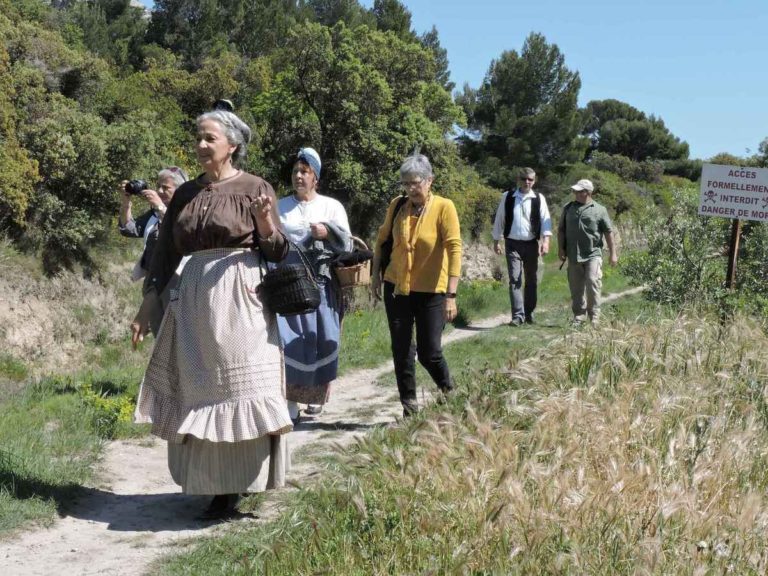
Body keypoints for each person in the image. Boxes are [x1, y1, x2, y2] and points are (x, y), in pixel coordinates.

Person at [130, 108, 292, 520]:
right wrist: (148, 304)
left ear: (232, 145)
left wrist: (264, 223)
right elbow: (165, 253)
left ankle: (243, 481)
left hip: (242, 296)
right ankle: (217, 486)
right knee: (202, 389)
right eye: (198, 137)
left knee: (242, 387)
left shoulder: (255, 187)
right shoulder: (186, 194)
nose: (201, 145)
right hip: (195, 298)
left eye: (210, 138)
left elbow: (278, 250)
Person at [371, 153, 461, 417]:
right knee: (401, 351)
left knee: (429, 352)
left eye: (416, 182)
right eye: (406, 183)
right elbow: (381, 240)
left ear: (429, 180)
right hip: (397, 287)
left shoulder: (444, 207)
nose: (411, 188)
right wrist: (375, 275)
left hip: (432, 291)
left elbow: (455, 249)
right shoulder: (398, 206)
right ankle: (409, 410)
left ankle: (451, 393)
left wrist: (451, 295)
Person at [276, 147, 351, 423]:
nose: (298, 176)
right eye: (296, 171)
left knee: (320, 340)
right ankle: (290, 402)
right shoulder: (280, 206)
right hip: (290, 284)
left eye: (304, 172)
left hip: (321, 284)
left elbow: (348, 244)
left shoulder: (331, 206)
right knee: (288, 342)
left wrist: (328, 231)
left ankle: (315, 396)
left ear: (315, 178)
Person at [491, 167, 552, 326]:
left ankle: (529, 313)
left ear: (534, 181)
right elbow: (500, 218)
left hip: (531, 244)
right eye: (524, 179)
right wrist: (496, 241)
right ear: (519, 180)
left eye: (530, 179)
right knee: (515, 279)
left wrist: (545, 241)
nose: (527, 182)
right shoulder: (508, 196)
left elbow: (545, 220)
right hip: (512, 244)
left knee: (531, 279)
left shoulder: (538, 198)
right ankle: (518, 316)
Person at [557, 178, 618, 325]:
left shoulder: (600, 210)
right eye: (575, 191)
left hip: (593, 254)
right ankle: (579, 316)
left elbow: (608, 232)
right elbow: (561, 230)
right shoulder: (568, 208)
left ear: (588, 192)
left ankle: (594, 317)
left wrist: (613, 253)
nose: (576, 193)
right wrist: (560, 248)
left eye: (580, 191)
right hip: (573, 255)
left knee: (592, 282)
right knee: (576, 287)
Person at [118, 167, 188, 282]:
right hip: (152, 278)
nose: (159, 191)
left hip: (177, 279)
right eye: (158, 186)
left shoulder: (188, 211)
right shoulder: (154, 214)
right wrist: (126, 201)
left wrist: (160, 207)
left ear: (180, 190)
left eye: (165, 187)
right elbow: (129, 229)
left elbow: (180, 231)